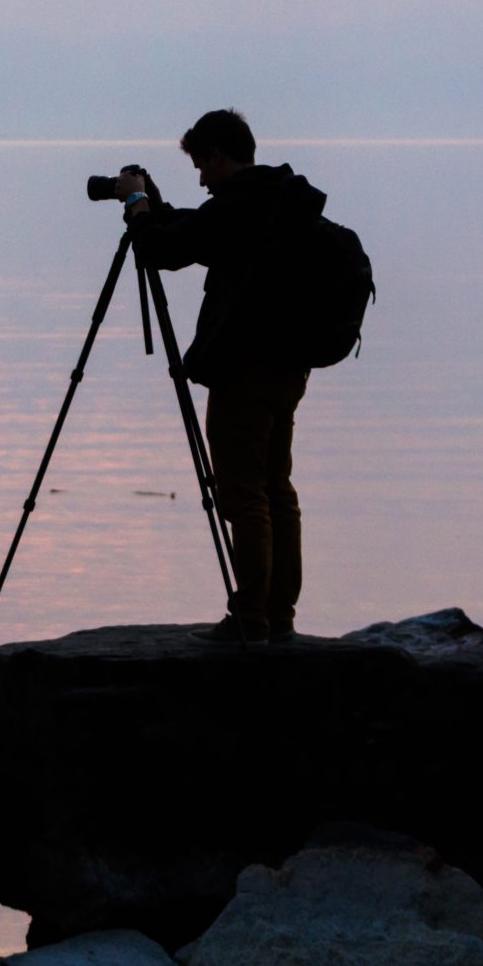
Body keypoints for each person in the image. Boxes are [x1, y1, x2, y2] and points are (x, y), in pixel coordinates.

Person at [112, 108, 331, 644]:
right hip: (287, 368)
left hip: (245, 372)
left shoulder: (239, 206)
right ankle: (279, 614)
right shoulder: (276, 197)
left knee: (243, 495)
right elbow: (196, 229)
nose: (202, 180)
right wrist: (156, 206)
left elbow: (161, 251)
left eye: (202, 167)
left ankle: (251, 617)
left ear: (217, 154)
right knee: (276, 488)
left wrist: (137, 204)